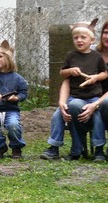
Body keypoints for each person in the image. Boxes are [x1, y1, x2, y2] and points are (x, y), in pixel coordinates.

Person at [40, 18, 108, 161]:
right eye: (76, 37)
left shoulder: (96, 57)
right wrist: (70, 71)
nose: (79, 40)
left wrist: (95, 78)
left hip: (93, 98)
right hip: (73, 97)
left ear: (92, 40)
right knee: (58, 115)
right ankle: (54, 147)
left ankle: (99, 149)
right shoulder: (70, 56)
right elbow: (63, 74)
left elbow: (105, 73)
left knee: (97, 117)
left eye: (83, 37)